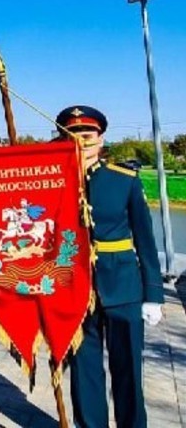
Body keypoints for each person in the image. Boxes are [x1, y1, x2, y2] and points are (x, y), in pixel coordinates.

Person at [59, 105, 163, 428]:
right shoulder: (55, 182)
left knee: (128, 373)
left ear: (101, 139)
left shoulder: (124, 179)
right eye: (73, 134)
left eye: (87, 134)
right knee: (84, 375)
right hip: (75, 290)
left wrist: (153, 294)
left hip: (123, 288)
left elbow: (145, 240)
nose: (81, 140)